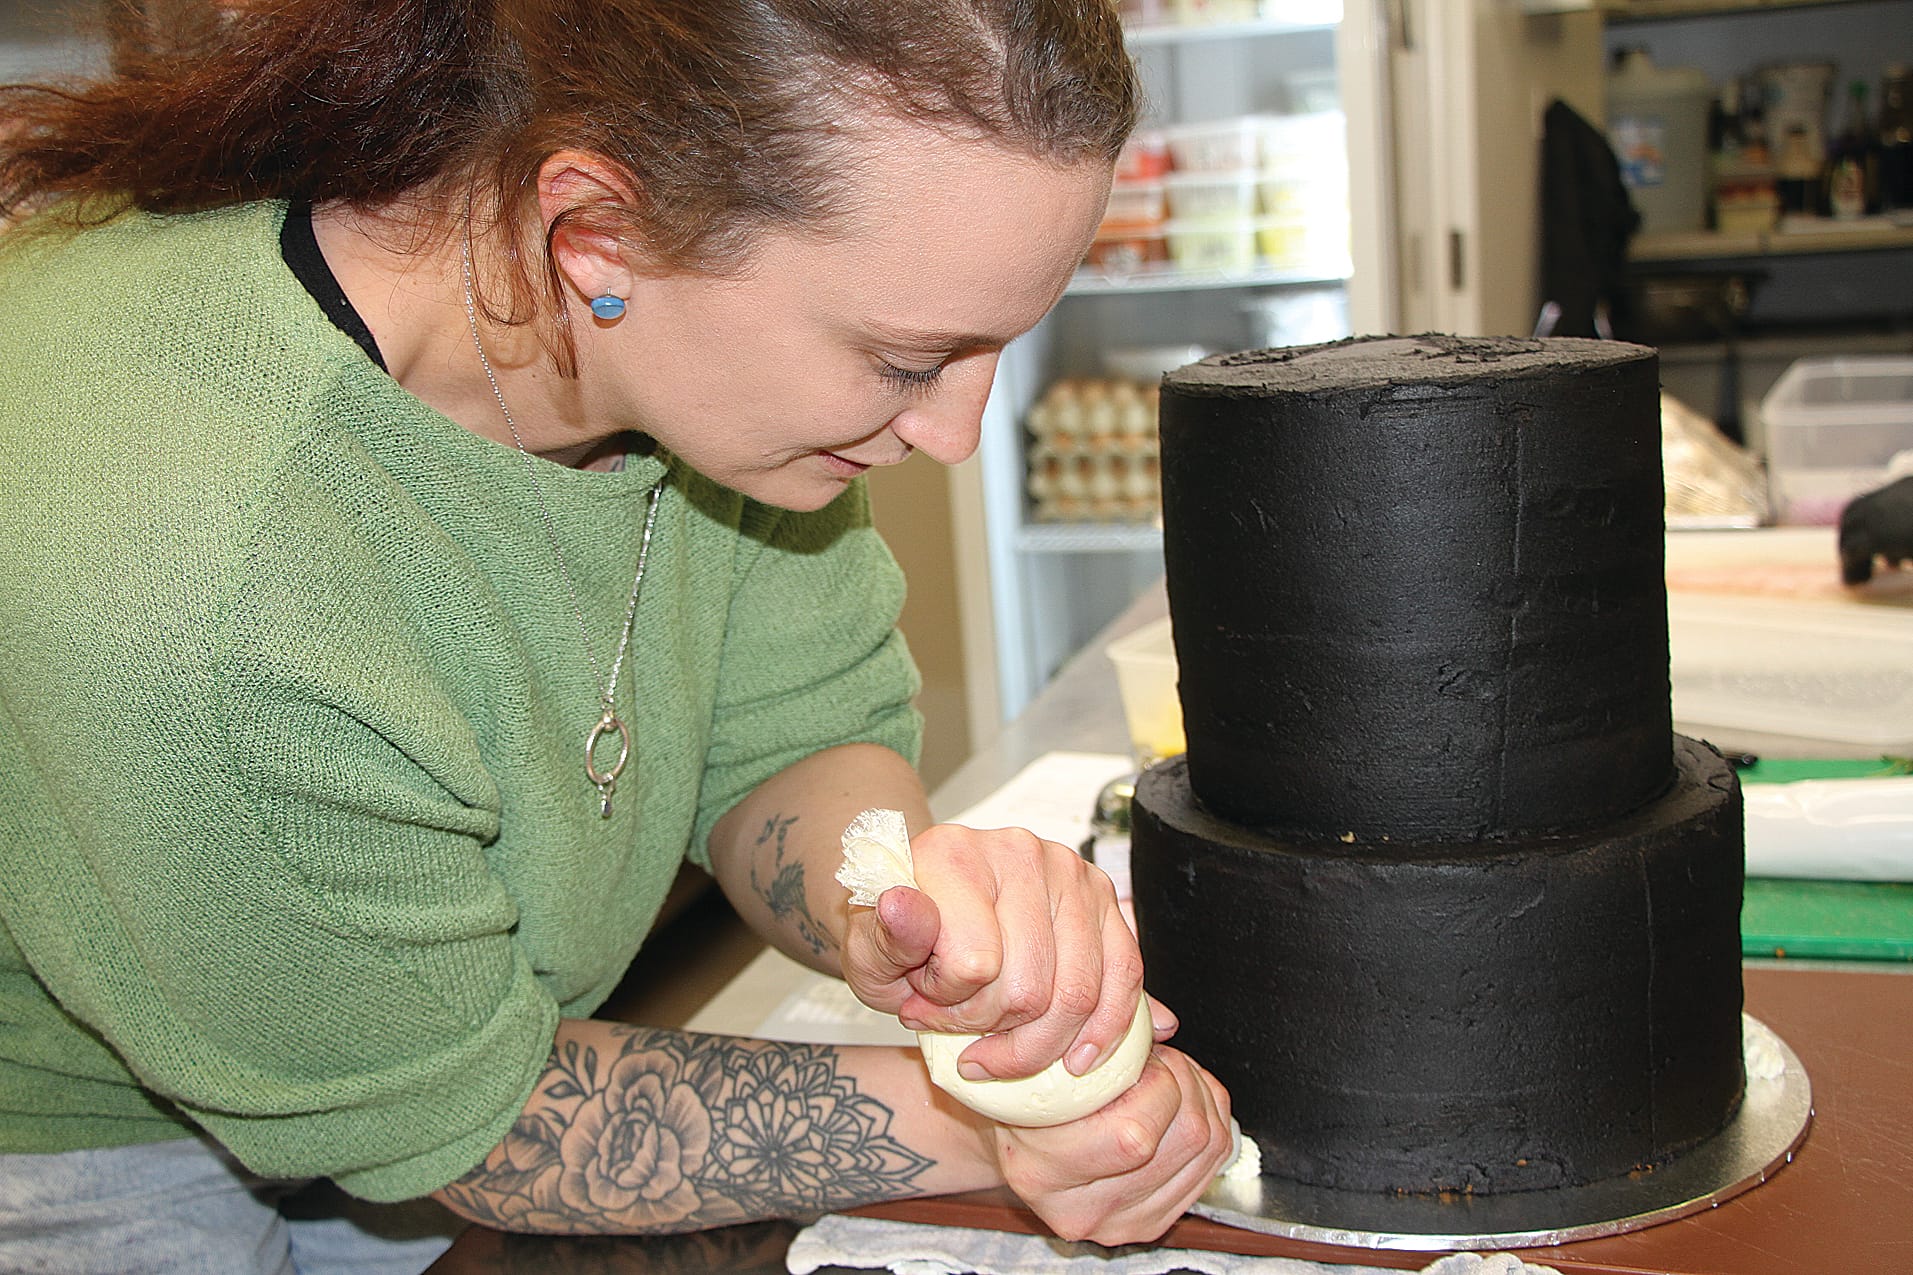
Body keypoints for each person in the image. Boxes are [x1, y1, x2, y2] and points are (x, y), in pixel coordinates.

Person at [0, 1, 1237, 1271]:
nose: (951, 432)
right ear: (594, 237)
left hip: (429, 1061)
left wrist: (911, 906)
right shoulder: (202, 566)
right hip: (88, 1150)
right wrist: (989, 1124)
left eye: (989, 349)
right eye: (904, 358)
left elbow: (795, 735)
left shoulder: (686, 346)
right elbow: (469, 1121)